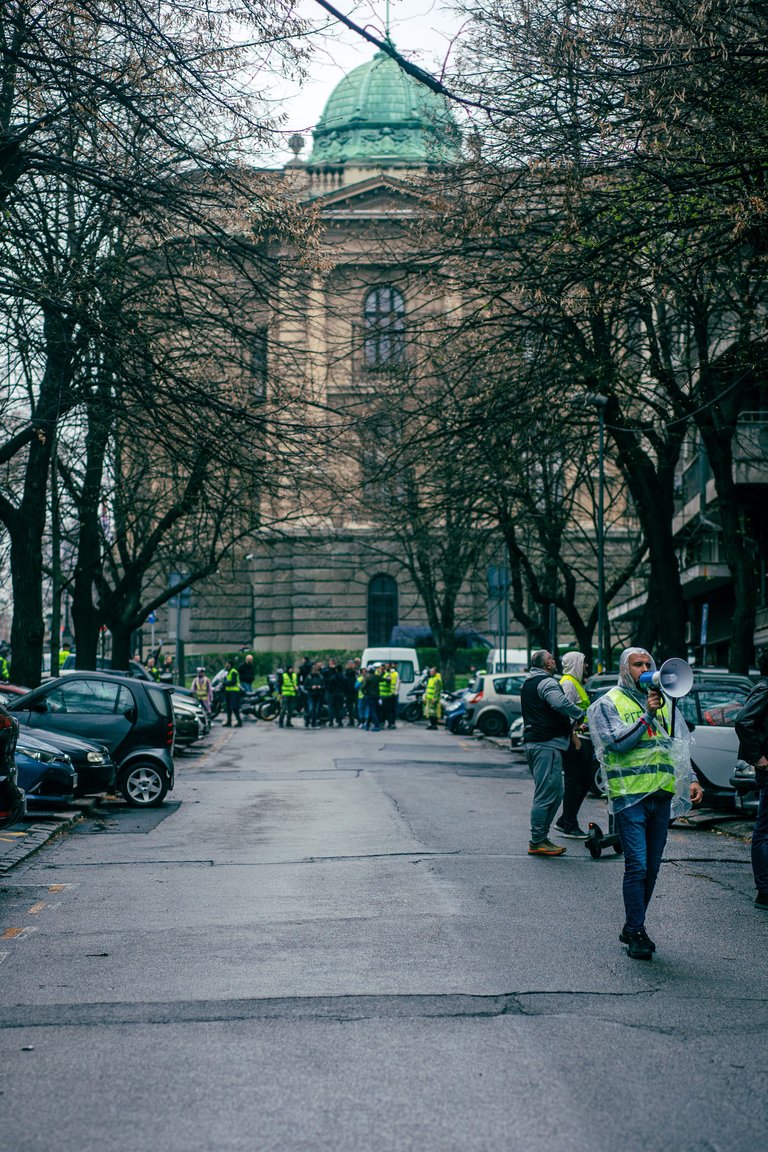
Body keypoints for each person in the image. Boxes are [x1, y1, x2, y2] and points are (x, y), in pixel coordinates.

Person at [588, 647, 702, 960]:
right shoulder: (606, 704)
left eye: (648, 663)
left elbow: (677, 745)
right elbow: (618, 745)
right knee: (636, 865)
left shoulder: (666, 703)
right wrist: (647, 715)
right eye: (637, 664)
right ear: (625, 670)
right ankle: (637, 932)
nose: (644, 668)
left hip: (661, 795)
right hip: (630, 796)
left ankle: (632, 924)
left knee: (651, 868)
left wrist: (691, 778)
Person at [521, 650, 583, 857]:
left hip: (541, 743)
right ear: (547, 663)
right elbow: (559, 702)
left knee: (555, 793)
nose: (554, 661)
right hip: (545, 744)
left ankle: (541, 838)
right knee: (546, 794)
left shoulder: (529, 683)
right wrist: (578, 713)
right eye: (551, 658)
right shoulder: (546, 683)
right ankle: (537, 840)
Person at [734, 649, 768, 909]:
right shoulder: (765, 689)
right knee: (764, 831)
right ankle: (764, 891)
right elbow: (743, 721)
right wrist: (758, 758)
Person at [553, 651, 594, 839]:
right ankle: (569, 824)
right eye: (583, 662)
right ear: (576, 663)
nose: (586, 666)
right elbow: (564, 713)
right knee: (574, 782)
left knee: (582, 782)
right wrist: (574, 738)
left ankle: (566, 820)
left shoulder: (573, 682)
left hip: (580, 739)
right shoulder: (568, 683)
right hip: (576, 741)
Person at [304, 662, 325, 728]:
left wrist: (320, 687)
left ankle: (313, 723)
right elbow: (305, 686)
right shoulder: (309, 677)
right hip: (311, 695)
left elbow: (324, 685)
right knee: (311, 709)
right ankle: (307, 719)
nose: (315, 671)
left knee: (316, 710)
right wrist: (311, 687)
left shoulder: (320, 677)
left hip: (318, 695)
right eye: (314, 669)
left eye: (316, 669)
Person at [223, 659, 242, 727]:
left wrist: (225, 683)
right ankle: (229, 722)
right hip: (229, 692)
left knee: (234, 707)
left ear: (229, 664)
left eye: (226, 664)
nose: (225, 665)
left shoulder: (234, 671)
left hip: (234, 692)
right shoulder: (228, 672)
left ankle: (239, 722)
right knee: (228, 707)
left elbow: (233, 681)